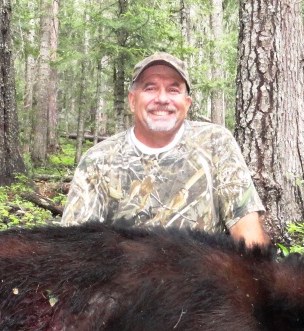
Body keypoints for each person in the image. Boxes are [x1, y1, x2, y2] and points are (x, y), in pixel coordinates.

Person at [62, 52, 269, 246]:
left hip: (204, 279)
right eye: (150, 88)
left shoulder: (215, 144)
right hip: (124, 280)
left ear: (187, 104)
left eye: (173, 89)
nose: (162, 99)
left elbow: (248, 234)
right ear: (132, 101)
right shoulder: (98, 160)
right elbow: (74, 248)